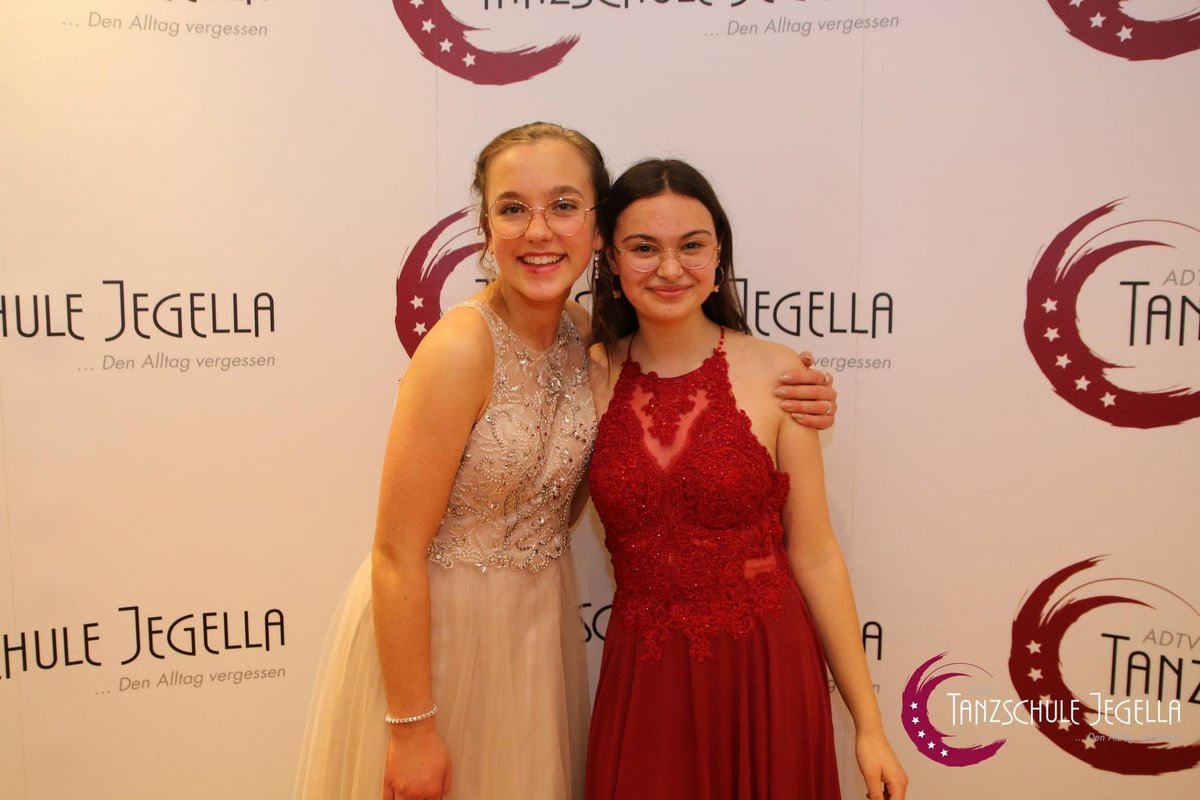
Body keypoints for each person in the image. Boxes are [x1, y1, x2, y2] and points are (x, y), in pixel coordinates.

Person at [293, 123, 840, 800]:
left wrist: (798, 395)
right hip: (437, 639)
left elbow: (678, 407)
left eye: (562, 205)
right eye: (512, 208)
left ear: (596, 228)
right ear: (486, 229)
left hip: (535, 633)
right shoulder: (459, 348)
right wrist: (410, 729)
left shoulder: (586, 343)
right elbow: (394, 554)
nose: (539, 230)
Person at [585, 159, 907, 800]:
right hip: (644, 676)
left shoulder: (779, 373)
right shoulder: (586, 373)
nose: (670, 268)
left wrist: (869, 727)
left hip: (764, 665)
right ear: (612, 261)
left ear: (719, 256)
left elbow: (816, 554)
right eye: (644, 247)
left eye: (692, 245)